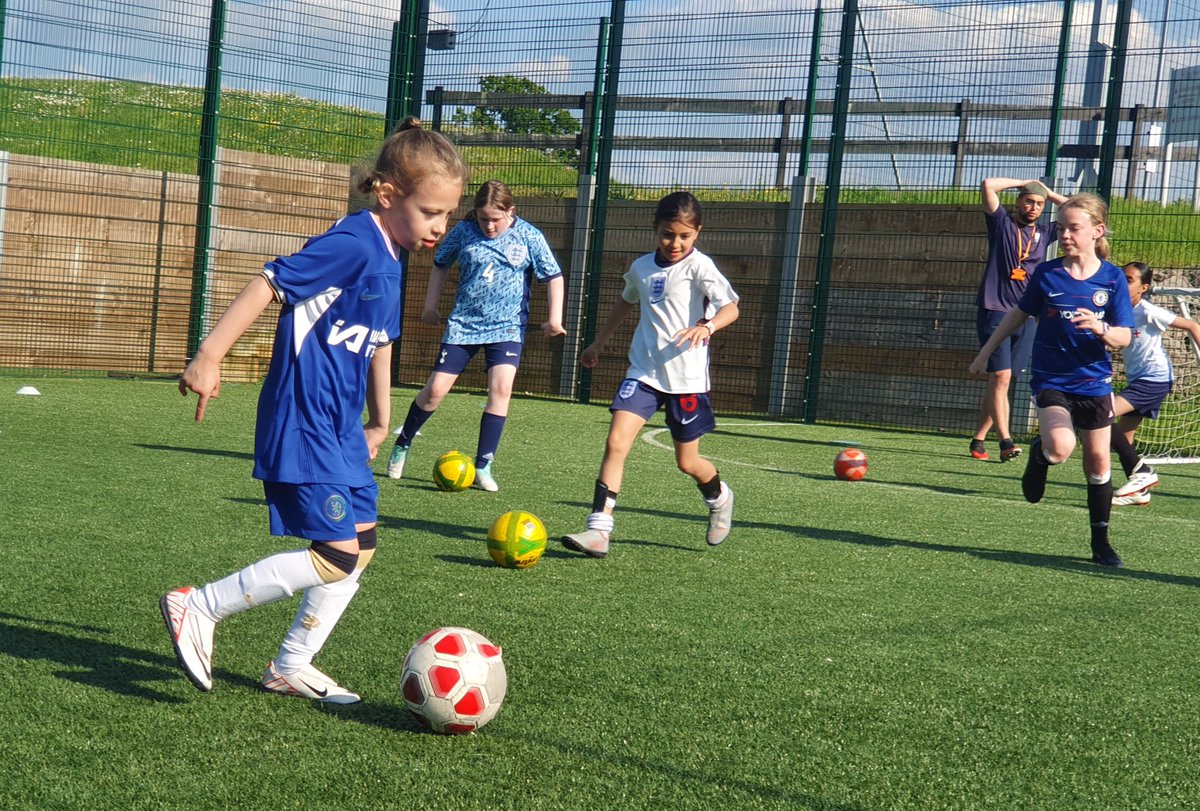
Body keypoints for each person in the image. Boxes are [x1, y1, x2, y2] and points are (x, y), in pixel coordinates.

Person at [160, 118, 469, 701]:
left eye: (448, 215)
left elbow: (379, 343)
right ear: (387, 195)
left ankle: (290, 665)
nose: (440, 227)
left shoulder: (392, 256)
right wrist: (209, 354)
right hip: (303, 418)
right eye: (431, 212)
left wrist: (380, 419)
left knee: (362, 545)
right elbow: (268, 285)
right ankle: (200, 605)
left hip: (341, 427)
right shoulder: (352, 244)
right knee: (334, 554)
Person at [561, 191, 739, 559]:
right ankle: (599, 530)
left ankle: (720, 497)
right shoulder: (642, 267)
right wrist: (598, 343)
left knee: (687, 462)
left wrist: (706, 326)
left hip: (685, 380)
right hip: (643, 372)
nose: (675, 243)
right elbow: (626, 302)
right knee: (615, 443)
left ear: (697, 233)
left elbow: (731, 308)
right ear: (655, 229)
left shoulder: (700, 267)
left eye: (684, 236)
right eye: (667, 234)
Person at [969, 193, 1133, 567]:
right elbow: (1018, 314)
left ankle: (1101, 543)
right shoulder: (1047, 273)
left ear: (1097, 231)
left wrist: (1101, 327)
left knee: (1097, 463)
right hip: (1052, 378)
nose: (1066, 235)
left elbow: (1124, 335)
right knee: (1060, 448)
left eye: (1073, 228)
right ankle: (1040, 458)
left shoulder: (1111, 279)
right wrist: (985, 352)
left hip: (1094, 382)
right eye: (1061, 228)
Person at [385, 180, 565, 492]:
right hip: (464, 325)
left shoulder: (529, 236)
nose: (490, 225)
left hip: (507, 327)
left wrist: (554, 318)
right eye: (484, 219)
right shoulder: (464, 232)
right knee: (435, 391)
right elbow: (440, 264)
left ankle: (484, 465)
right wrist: (430, 306)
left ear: (511, 211)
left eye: (496, 219)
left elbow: (553, 276)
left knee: (501, 390)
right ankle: (403, 442)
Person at [970, 177, 1068, 462]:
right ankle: (1006, 441)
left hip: (1025, 315)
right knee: (1000, 377)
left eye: (1039, 204)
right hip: (995, 309)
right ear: (1018, 202)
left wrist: (1048, 193)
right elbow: (988, 185)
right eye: (1029, 201)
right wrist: (1024, 183)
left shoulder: (1046, 232)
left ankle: (978, 439)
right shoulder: (1001, 223)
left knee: (1005, 380)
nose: (1034, 207)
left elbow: (1081, 211)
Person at [1110, 261, 1200, 507]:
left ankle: (1145, 472)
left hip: (1154, 379)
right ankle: (1138, 489)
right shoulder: (1117, 310)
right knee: (1122, 439)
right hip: (1140, 380)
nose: (1122, 283)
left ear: (1144, 287)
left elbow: (1192, 325)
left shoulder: (1148, 310)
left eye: (1129, 280)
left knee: (1102, 415)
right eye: (1120, 278)